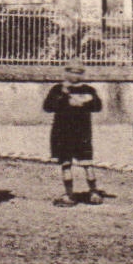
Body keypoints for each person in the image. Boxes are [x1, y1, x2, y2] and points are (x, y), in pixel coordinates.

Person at [44, 58, 104, 206]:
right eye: (72, 72)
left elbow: (98, 106)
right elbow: (48, 106)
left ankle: (94, 192)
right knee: (66, 163)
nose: (75, 75)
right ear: (66, 72)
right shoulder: (58, 89)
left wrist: (84, 101)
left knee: (87, 163)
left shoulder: (88, 90)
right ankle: (69, 194)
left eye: (79, 73)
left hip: (82, 132)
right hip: (62, 132)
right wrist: (63, 99)